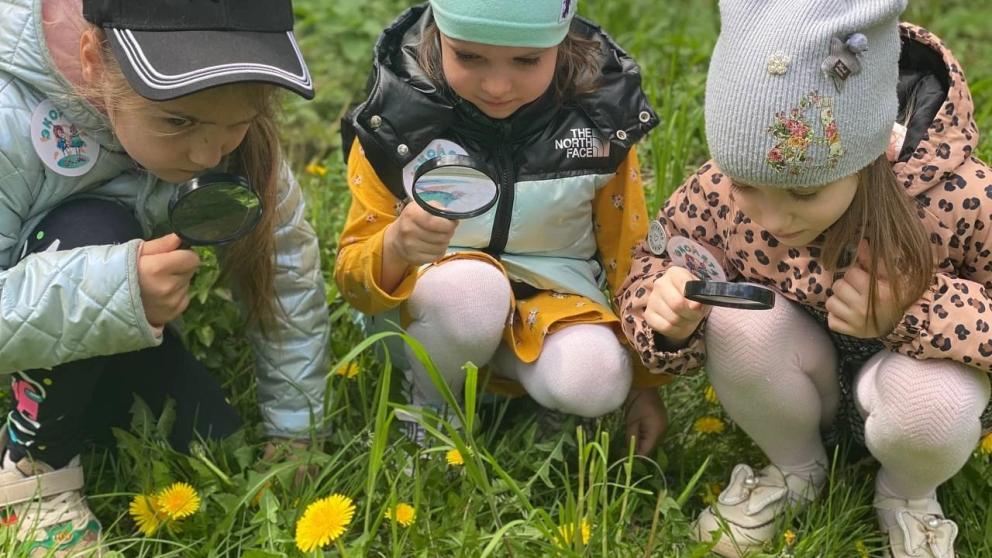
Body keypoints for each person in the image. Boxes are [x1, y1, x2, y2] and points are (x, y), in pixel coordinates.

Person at [618, 1, 992, 556]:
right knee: (739, 325)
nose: (769, 218)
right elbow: (654, 260)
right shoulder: (719, 190)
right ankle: (795, 467)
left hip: (910, 388)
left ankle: (909, 496)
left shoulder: (957, 199)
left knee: (935, 401)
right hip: (797, 379)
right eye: (747, 187)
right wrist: (663, 306)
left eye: (804, 193)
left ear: (865, 157)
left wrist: (915, 309)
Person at [0, 0, 329, 554]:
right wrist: (114, 287)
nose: (207, 153)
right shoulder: (10, 120)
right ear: (91, 60)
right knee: (94, 224)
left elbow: (289, 278)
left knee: (210, 441)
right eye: (177, 120)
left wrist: (297, 428)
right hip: (50, 291)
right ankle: (31, 473)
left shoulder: (230, 137)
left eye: (237, 123)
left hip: (114, 316)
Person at [336, 0, 668, 452]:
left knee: (598, 379)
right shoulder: (396, 123)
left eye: (526, 60)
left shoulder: (599, 122)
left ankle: (538, 393)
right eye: (468, 56)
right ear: (438, 34)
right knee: (471, 291)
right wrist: (395, 246)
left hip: (553, 304)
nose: (496, 85)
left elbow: (629, 255)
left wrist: (643, 381)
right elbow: (352, 279)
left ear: (560, 40)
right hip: (433, 311)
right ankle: (432, 411)